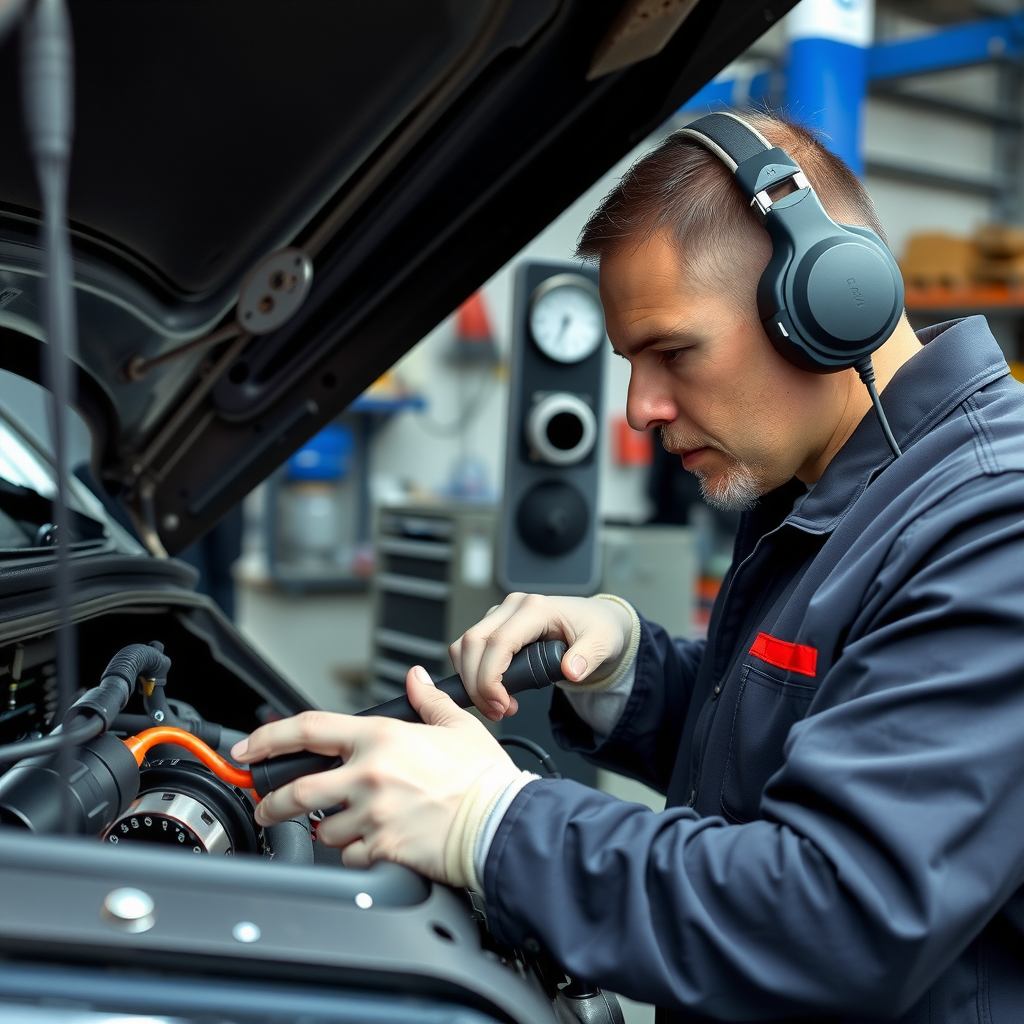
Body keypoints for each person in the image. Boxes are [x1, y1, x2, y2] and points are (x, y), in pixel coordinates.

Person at [231, 111, 1024, 1022]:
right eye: (630, 362)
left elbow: (835, 915)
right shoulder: (830, 487)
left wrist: (493, 824)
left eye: (673, 351)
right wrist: (634, 672)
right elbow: (822, 729)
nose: (641, 408)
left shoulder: (994, 523)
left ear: (828, 305)